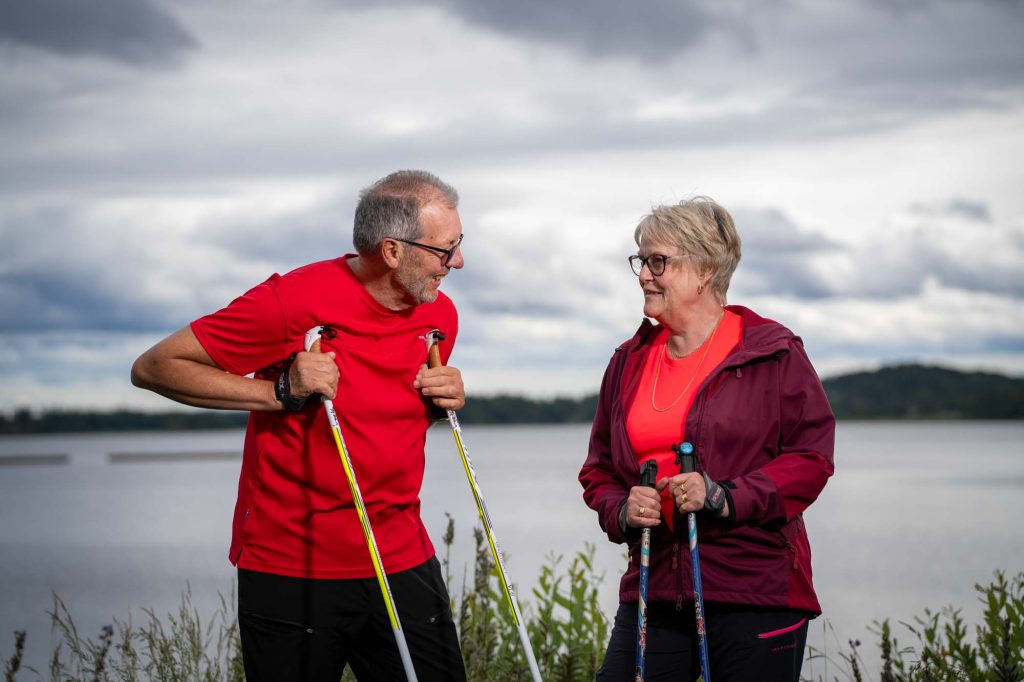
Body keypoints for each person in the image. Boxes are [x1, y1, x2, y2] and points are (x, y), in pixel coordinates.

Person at [131, 170, 468, 681]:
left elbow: (384, 419)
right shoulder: (291, 301)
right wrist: (278, 391)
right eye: (445, 250)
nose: (458, 261)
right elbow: (155, 367)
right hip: (294, 564)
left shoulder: (439, 315)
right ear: (393, 250)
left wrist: (443, 398)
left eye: (458, 244)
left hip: (400, 554)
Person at [578, 197, 835, 681]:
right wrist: (621, 509)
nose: (644, 275)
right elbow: (600, 471)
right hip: (653, 588)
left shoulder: (772, 353)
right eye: (641, 260)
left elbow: (810, 460)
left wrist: (724, 496)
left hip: (755, 591)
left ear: (705, 270)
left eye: (659, 262)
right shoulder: (628, 361)